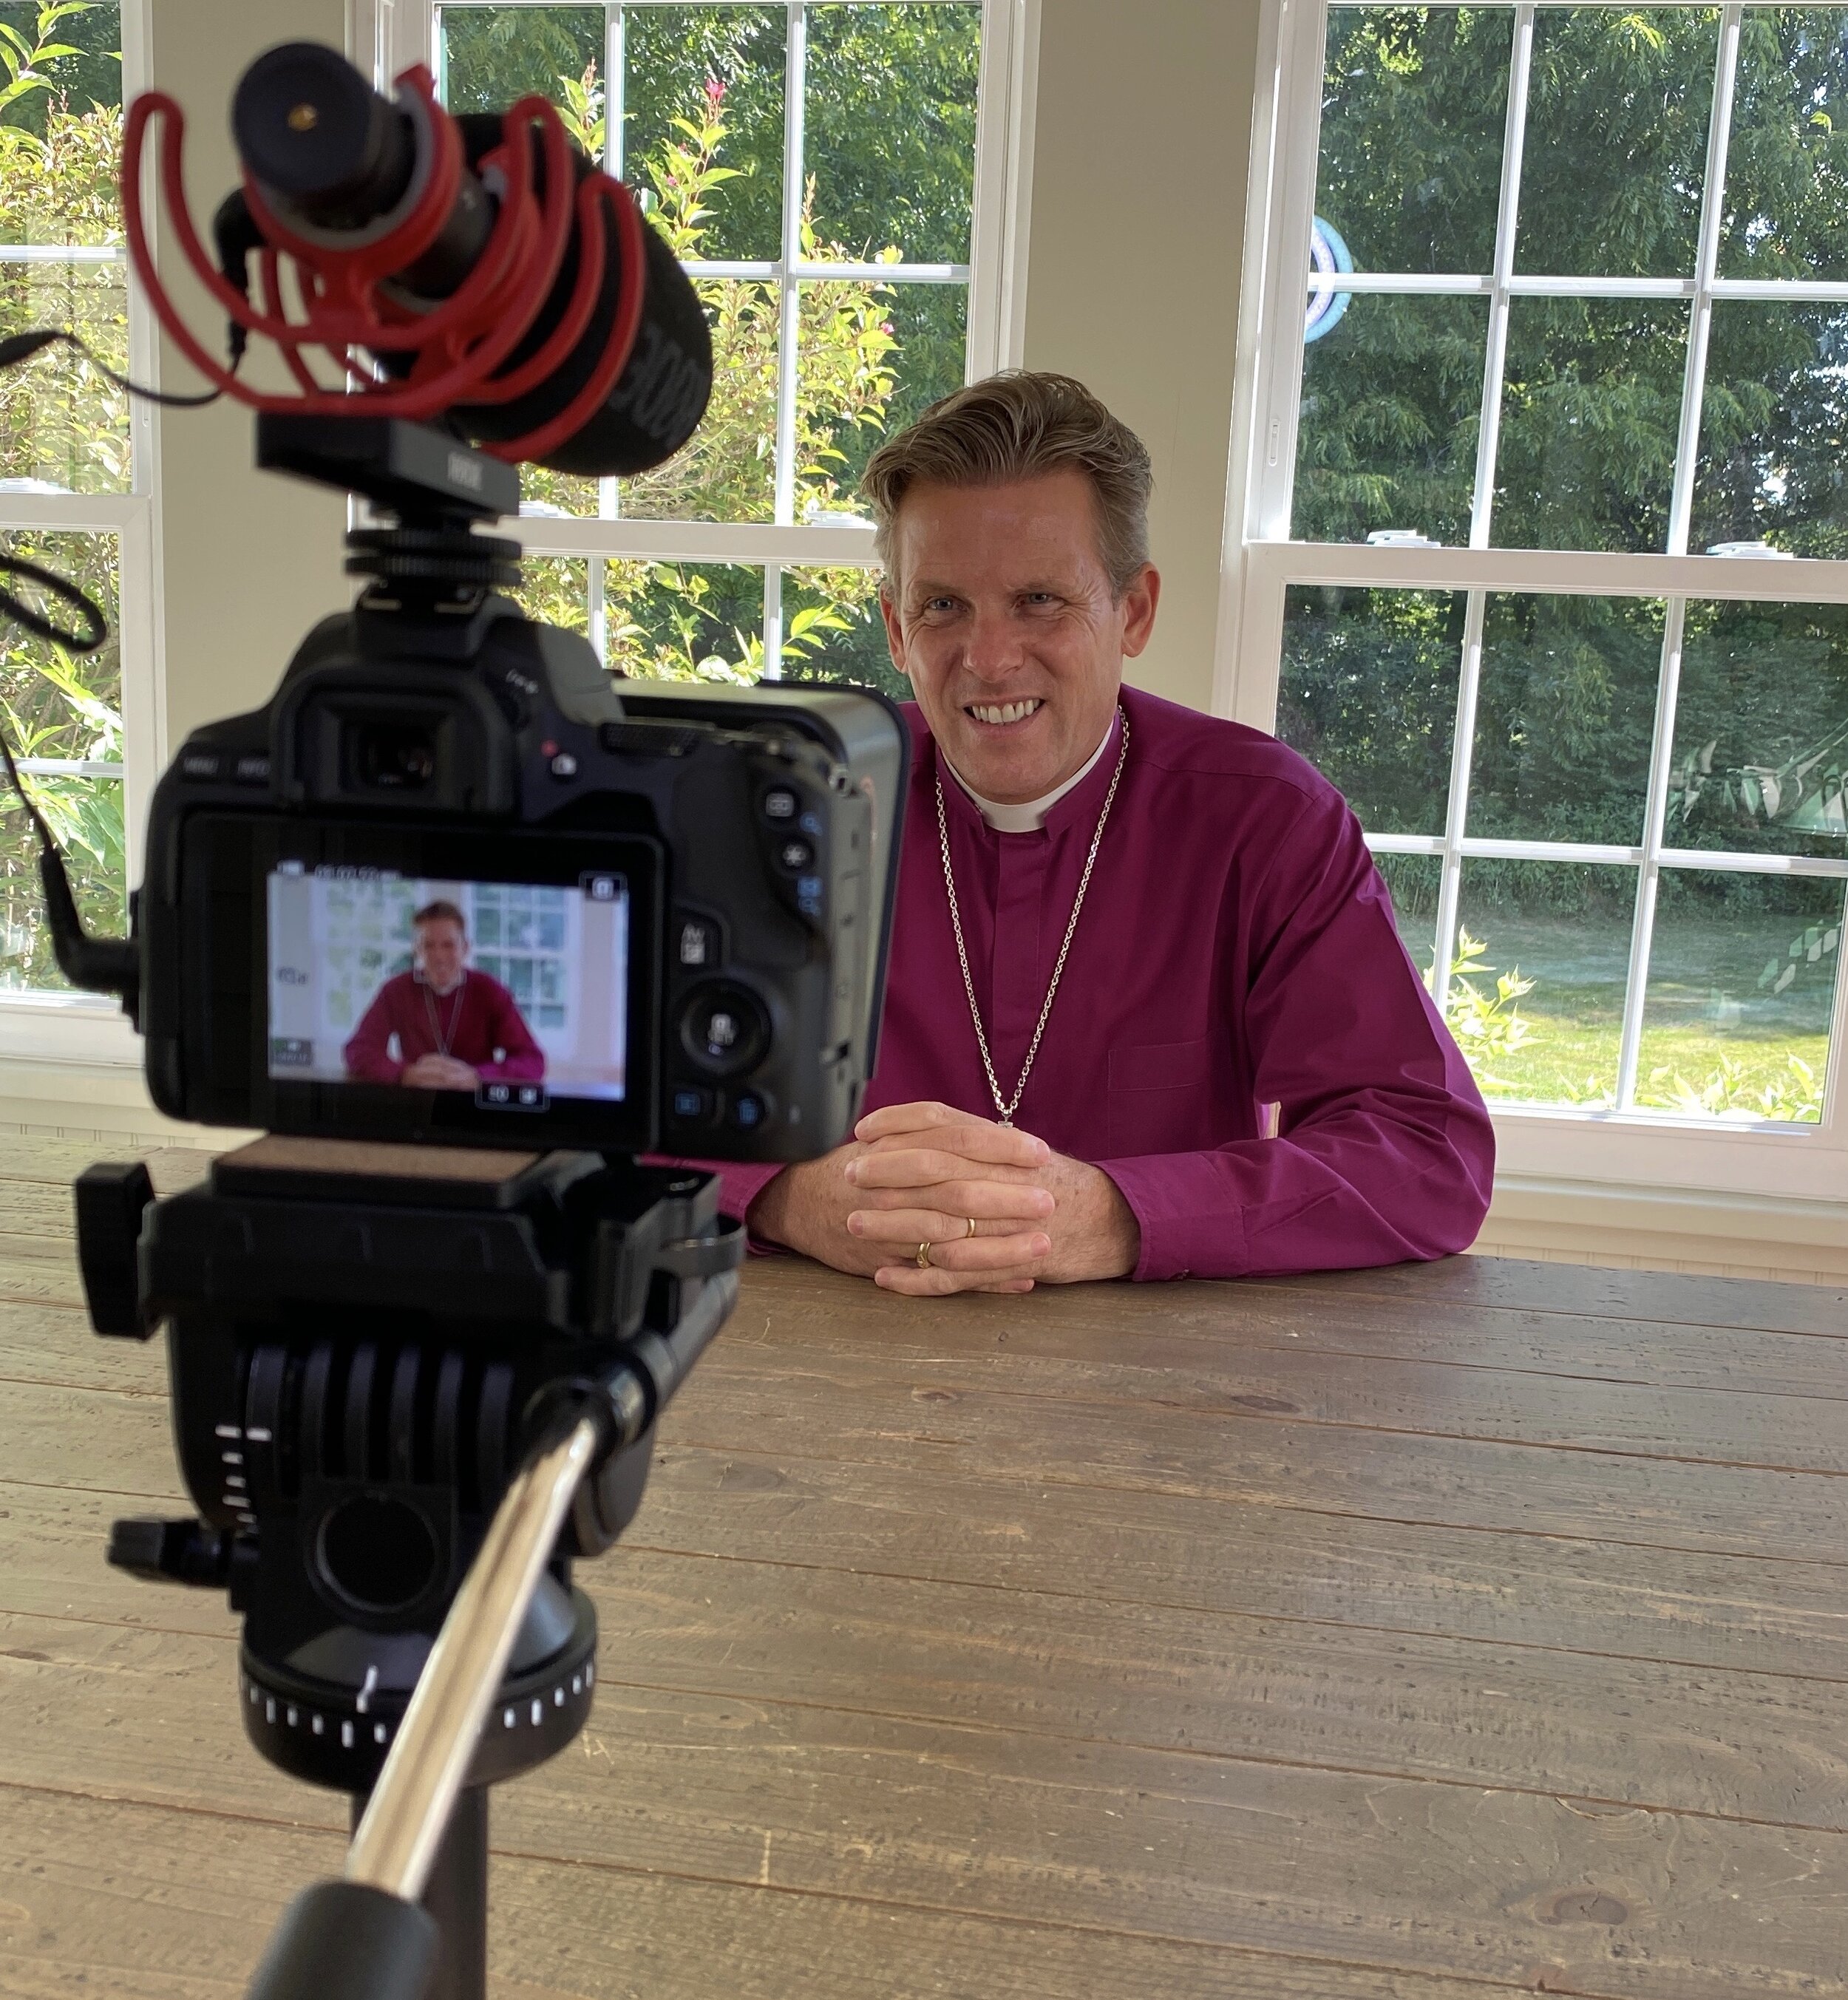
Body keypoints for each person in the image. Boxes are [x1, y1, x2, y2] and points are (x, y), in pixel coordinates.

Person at [696, 371, 1494, 1293]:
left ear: (1136, 612)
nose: (989, 661)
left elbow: (1426, 1151)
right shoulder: (787, 805)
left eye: (1040, 600)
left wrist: (1111, 1218)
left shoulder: (1264, 820)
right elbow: (589, 1098)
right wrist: (791, 1199)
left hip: (1166, 1385)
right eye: (943, 605)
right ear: (894, 627)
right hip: (833, 1362)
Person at [343, 899, 545, 1089]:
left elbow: (532, 1061)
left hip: (476, 1104)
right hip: (418, 1101)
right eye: (429, 945)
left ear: (465, 948)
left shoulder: (490, 991)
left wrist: (478, 1076)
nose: (439, 957)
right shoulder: (396, 990)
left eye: (448, 945)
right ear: (417, 949)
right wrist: (404, 1073)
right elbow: (358, 1050)